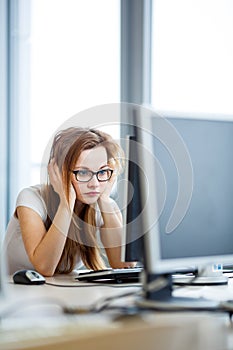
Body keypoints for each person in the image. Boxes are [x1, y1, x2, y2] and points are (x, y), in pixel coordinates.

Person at [4, 127, 135, 276]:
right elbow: (45, 267)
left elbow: (126, 267)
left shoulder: (104, 206)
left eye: (102, 172)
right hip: (15, 294)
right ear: (59, 173)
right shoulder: (31, 199)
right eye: (83, 172)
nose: (95, 184)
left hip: (60, 295)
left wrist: (104, 200)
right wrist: (66, 204)